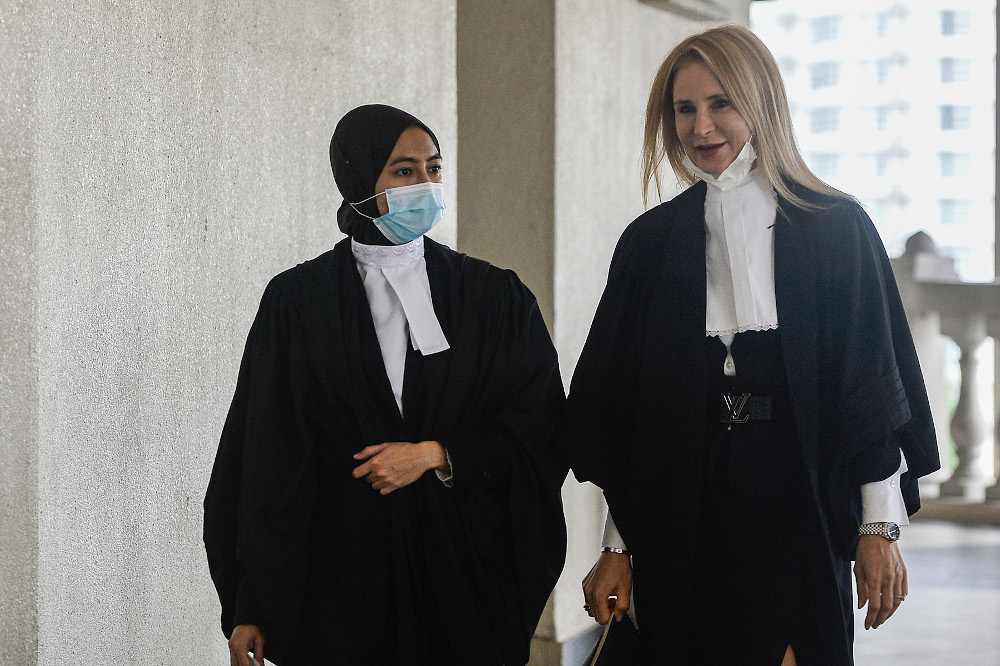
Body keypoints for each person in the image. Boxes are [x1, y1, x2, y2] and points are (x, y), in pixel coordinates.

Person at [562, 26, 939, 665]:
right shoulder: (651, 244)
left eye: (721, 103)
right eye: (686, 109)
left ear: (761, 105)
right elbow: (637, 421)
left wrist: (878, 527)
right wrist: (618, 545)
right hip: (688, 502)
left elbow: (869, 385)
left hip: (800, 497)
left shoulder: (835, 228)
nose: (702, 126)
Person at [204, 104, 567, 666]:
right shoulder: (299, 303)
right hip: (341, 593)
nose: (425, 184)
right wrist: (253, 603)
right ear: (358, 180)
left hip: (463, 585)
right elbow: (266, 457)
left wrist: (436, 455)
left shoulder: (493, 298)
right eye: (404, 171)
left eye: (434, 168)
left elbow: (539, 424)